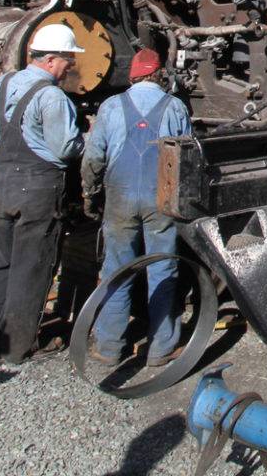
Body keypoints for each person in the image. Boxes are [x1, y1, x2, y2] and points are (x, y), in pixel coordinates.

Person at [0, 22, 85, 366]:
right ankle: (16, 347)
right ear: (52, 60)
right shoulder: (52, 96)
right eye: (68, 59)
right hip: (38, 190)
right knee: (32, 267)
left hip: (3, 185)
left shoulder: (1, 85)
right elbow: (65, 149)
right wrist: (83, 136)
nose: (70, 66)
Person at [81, 48, 192, 366]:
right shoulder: (175, 107)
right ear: (159, 75)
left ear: (133, 75)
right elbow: (188, 156)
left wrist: (91, 193)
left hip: (119, 197)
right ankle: (160, 347)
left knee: (116, 269)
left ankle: (109, 346)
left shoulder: (110, 106)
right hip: (161, 197)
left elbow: (93, 158)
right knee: (162, 267)